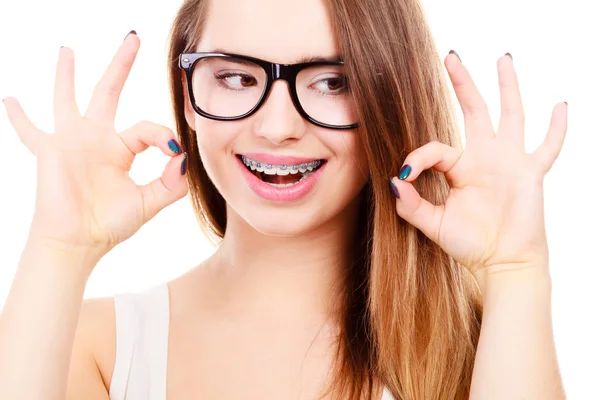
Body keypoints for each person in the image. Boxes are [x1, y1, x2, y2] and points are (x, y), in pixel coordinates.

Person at [0, 0, 568, 398]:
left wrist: (517, 270)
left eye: (331, 82)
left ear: (390, 96)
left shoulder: (479, 349)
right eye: (236, 78)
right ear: (188, 100)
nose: (277, 127)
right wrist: (58, 248)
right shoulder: (98, 347)